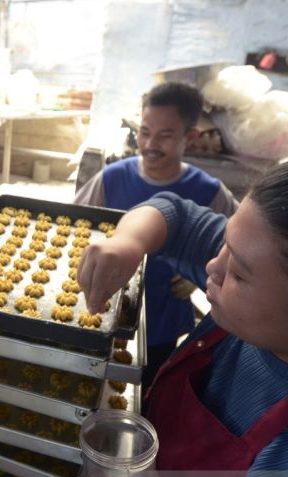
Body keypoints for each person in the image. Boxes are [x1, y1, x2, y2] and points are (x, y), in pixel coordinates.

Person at [78, 152, 288, 477]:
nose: (213, 266)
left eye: (238, 274)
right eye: (225, 242)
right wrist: (127, 242)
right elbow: (174, 215)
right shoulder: (267, 276)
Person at [75, 82, 237, 389]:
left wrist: (199, 269)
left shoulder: (210, 192)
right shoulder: (112, 178)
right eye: (144, 131)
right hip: (102, 309)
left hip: (162, 320)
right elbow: (74, 229)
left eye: (165, 135)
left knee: (144, 386)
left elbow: (236, 249)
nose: (150, 143)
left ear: (190, 137)